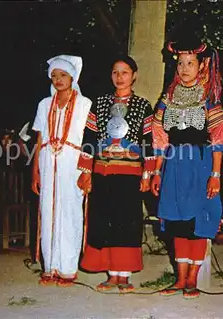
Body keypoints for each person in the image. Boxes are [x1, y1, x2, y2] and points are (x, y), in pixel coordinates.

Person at [150, 35, 223, 299]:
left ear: (201, 66)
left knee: (197, 220)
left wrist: (216, 175)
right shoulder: (167, 98)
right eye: (180, 63)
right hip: (173, 165)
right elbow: (159, 136)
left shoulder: (209, 98)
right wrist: (157, 171)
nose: (184, 68)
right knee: (175, 220)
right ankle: (179, 278)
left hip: (200, 163)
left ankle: (193, 280)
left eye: (190, 63)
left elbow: (219, 139)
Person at [79, 55, 155, 293]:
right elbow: (89, 138)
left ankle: (125, 275)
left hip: (129, 173)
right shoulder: (99, 104)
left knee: (127, 222)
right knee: (105, 221)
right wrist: (85, 171)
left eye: (124, 72)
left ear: (134, 75)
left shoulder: (143, 106)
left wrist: (147, 175)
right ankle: (112, 274)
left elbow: (149, 142)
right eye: (115, 72)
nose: (119, 77)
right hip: (103, 171)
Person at [31, 54, 93, 287]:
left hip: (72, 162)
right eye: (54, 76)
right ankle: (50, 267)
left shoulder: (85, 104)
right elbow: (39, 138)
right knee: (48, 212)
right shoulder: (44, 104)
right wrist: (35, 171)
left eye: (63, 75)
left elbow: (90, 138)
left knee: (69, 212)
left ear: (72, 77)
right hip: (48, 162)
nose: (58, 79)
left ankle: (68, 268)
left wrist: (87, 170)